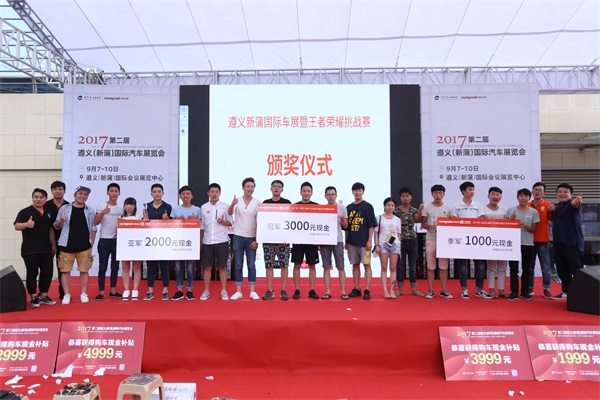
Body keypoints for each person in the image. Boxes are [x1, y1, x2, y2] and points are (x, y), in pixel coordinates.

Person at [54, 185, 97, 305]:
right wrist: (61, 221)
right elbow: (56, 226)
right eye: (80, 194)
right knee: (65, 271)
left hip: (84, 246)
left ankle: (83, 293)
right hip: (66, 245)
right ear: (74, 195)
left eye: (85, 194)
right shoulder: (65, 208)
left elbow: (93, 228)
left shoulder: (89, 210)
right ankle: (66, 294)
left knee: (84, 270)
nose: (83, 196)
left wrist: (91, 243)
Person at [14, 188, 57, 308]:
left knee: (47, 272)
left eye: (41, 197)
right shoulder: (25, 212)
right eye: (36, 197)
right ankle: (33, 297)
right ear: (32, 198)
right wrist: (26, 224)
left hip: (46, 249)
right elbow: (17, 226)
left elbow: (50, 229)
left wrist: (53, 244)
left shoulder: (48, 212)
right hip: (30, 249)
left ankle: (43, 295)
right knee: (32, 273)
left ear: (45, 199)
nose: (38, 199)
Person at [452, 181, 492, 299]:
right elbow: (454, 222)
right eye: (469, 189)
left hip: (476, 240)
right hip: (462, 240)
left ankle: (479, 290)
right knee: (462, 266)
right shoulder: (456, 206)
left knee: (480, 265)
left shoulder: (478, 205)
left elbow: (481, 221)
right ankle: (464, 290)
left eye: (473, 189)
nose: (472, 191)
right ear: (463, 191)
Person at [229, 178, 261, 300]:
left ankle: (252, 291)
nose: (250, 189)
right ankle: (239, 291)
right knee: (238, 265)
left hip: (251, 237)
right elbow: (229, 213)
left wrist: (257, 240)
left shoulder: (257, 203)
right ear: (243, 188)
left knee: (251, 265)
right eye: (248, 186)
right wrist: (232, 204)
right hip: (238, 236)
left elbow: (259, 222)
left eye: (252, 187)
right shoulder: (237, 201)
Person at [199, 183, 233, 301]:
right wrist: (200, 241)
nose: (214, 194)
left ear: (220, 193)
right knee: (207, 267)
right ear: (208, 193)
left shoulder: (225, 206)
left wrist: (222, 222)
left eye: (216, 192)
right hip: (207, 241)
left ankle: (224, 290)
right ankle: (206, 291)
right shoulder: (204, 207)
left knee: (222, 267)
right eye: (212, 192)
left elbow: (230, 222)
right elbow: (202, 225)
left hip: (222, 240)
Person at [550, 183, 584, 300]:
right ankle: (566, 292)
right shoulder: (558, 207)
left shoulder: (572, 204)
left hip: (572, 242)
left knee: (576, 269)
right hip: (558, 242)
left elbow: (575, 203)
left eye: (565, 192)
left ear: (571, 194)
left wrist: (577, 200)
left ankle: (583, 294)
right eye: (560, 192)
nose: (562, 194)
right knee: (562, 269)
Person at [505, 188, 540, 301]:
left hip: (528, 243)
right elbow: (505, 228)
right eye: (521, 196)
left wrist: (525, 225)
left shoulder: (533, 212)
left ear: (529, 198)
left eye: (525, 196)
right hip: (513, 244)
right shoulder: (511, 211)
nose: (523, 198)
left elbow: (534, 229)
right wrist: (511, 221)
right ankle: (514, 292)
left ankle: (525, 291)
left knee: (527, 269)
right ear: (517, 197)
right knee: (513, 269)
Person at [346, 182, 378, 300]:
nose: (357, 192)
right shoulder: (348, 208)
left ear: (363, 192)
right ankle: (356, 288)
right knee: (355, 265)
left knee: (367, 265)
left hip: (365, 242)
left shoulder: (368, 206)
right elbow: (347, 227)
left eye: (359, 190)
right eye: (355, 190)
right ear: (352, 192)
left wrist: (370, 240)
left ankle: (367, 289)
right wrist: (346, 241)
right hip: (351, 242)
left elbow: (371, 225)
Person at [261, 180, 292, 300]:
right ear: (271, 189)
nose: (276, 188)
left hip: (283, 240)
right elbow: (263, 222)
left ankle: (283, 290)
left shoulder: (287, 203)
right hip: (268, 239)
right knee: (269, 265)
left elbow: (290, 221)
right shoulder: (265, 203)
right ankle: (270, 290)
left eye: (279, 187)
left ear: (282, 190)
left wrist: (288, 237)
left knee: (284, 265)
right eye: (274, 186)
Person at [421, 185, 453, 299]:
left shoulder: (448, 208)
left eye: (440, 193)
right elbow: (423, 224)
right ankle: (430, 290)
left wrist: (451, 219)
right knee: (430, 266)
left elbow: (452, 224)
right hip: (431, 238)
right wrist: (428, 226)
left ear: (443, 194)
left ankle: (443, 290)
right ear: (432, 194)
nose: (438, 195)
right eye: (435, 193)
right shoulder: (427, 207)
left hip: (444, 240)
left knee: (444, 266)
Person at [170, 186, 201, 301]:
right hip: (178, 242)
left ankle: (189, 290)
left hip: (191, 242)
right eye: (183, 194)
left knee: (190, 268)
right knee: (178, 267)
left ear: (192, 196)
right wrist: (177, 220)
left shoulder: (197, 210)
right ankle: (179, 290)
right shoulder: (175, 209)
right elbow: (171, 225)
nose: (185, 196)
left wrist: (194, 221)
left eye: (188, 193)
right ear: (180, 196)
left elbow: (200, 226)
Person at [142, 183, 172, 301]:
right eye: (155, 191)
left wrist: (167, 219)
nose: (157, 193)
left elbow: (172, 223)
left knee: (164, 267)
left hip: (164, 241)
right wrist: (144, 220)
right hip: (150, 241)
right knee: (151, 268)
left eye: (159, 191)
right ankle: (150, 291)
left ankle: (165, 291)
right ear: (151, 194)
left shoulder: (168, 207)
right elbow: (143, 223)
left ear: (163, 193)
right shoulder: (147, 207)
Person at [94, 183, 123, 300]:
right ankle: (101, 292)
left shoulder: (121, 208)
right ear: (107, 193)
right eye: (111, 191)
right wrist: (103, 212)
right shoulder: (101, 205)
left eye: (116, 191)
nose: (114, 193)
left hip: (116, 240)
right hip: (104, 240)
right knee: (103, 266)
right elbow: (96, 222)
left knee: (115, 267)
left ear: (119, 193)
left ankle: (113, 291)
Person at [393, 187, 424, 296]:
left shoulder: (413, 210)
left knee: (412, 266)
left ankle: (414, 289)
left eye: (407, 196)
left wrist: (420, 210)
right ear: (400, 197)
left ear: (411, 197)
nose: (405, 198)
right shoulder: (396, 211)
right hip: (399, 241)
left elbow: (418, 219)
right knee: (400, 266)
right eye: (403, 196)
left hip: (412, 240)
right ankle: (400, 289)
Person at [291, 182, 320, 299]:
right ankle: (297, 289)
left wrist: (319, 240)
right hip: (298, 241)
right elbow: (290, 224)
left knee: (312, 265)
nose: (306, 193)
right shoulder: (295, 206)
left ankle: (312, 289)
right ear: (300, 192)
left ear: (312, 193)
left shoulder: (317, 206)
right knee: (297, 265)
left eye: (308, 191)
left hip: (311, 242)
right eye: (304, 191)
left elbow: (319, 224)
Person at [527, 182, 556, 298]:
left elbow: (553, 220)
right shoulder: (527, 205)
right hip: (529, 240)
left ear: (544, 193)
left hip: (543, 240)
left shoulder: (548, 205)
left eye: (540, 190)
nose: (537, 192)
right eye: (536, 189)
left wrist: (553, 212)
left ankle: (546, 288)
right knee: (530, 266)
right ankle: (530, 288)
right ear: (532, 192)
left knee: (546, 266)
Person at [320, 186, 348, 299]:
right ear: (325, 196)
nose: (331, 196)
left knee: (340, 267)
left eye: (333, 194)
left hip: (338, 240)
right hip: (325, 240)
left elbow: (346, 226)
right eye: (329, 194)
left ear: (336, 195)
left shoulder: (342, 208)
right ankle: (327, 291)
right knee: (326, 267)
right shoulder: (322, 209)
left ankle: (343, 291)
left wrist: (342, 219)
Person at [44, 180, 68, 299]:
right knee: (46, 268)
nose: (57, 191)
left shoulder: (69, 206)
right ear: (52, 191)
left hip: (63, 241)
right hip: (46, 240)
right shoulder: (45, 205)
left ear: (64, 191)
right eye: (55, 189)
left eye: (60, 189)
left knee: (62, 268)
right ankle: (43, 294)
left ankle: (63, 293)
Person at [373, 197, 402, 299]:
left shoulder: (397, 219)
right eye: (388, 205)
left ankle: (392, 290)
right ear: (384, 206)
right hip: (383, 243)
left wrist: (399, 245)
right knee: (384, 267)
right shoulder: (379, 218)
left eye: (392, 205)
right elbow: (376, 233)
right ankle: (385, 291)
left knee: (393, 268)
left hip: (395, 244)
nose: (390, 207)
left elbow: (399, 234)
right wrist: (377, 245)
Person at [483, 187, 508, 298]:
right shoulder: (483, 210)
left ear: (500, 197)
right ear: (488, 196)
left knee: (502, 267)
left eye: (497, 195)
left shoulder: (504, 210)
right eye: (492, 194)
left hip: (502, 242)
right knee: (491, 267)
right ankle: (491, 289)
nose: (495, 197)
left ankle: (501, 290)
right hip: (489, 242)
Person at [120, 197, 142, 300]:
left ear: (135, 206)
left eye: (131, 205)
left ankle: (135, 289)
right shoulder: (120, 217)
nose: (129, 206)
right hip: (124, 245)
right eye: (127, 204)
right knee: (125, 268)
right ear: (124, 206)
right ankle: (126, 289)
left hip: (136, 245)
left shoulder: (139, 217)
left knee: (136, 268)